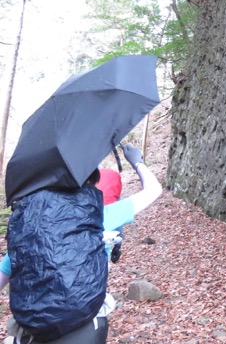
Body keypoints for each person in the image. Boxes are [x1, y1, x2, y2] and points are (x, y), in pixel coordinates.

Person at [0, 144, 162, 344]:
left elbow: (4, 275)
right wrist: (137, 161)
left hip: (33, 332)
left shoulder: (28, 229)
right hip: (85, 329)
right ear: (91, 182)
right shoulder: (100, 216)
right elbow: (153, 190)